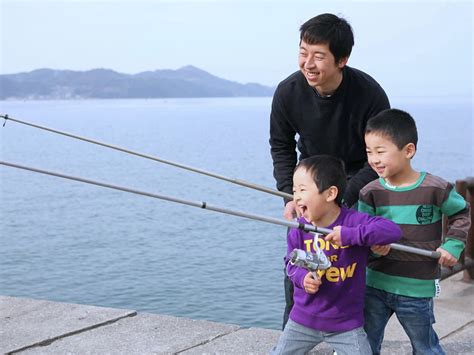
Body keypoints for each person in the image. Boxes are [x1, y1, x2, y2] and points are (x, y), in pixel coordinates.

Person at [269, 13, 390, 328]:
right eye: (303, 52)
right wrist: (289, 194)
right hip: (311, 182)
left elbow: (379, 157)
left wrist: (344, 200)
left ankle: (350, 339)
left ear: (342, 60)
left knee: (353, 269)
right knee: (300, 263)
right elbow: (281, 146)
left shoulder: (369, 94)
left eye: (318, 56)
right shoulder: (288, 92)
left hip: (358, 184)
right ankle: (292, 338)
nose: (308, 63)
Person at [359, 108, 471, 354]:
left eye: (380, 151)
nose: (373, 159)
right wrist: (373, 248)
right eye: (369, 152)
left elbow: (461, 213)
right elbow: (363, 231)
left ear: (408, 150)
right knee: (364, 345)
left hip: (416, 288)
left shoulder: (436, 188)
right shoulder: (370, 192)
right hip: (375, 284)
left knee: (425, 346)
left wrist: (453, 246)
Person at [271, 155, 402, 355]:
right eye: (295, 190)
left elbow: (392, 230)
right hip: (302, 320)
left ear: (330, 193)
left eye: (302, 190)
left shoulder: (352, 222)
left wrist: (351, 235)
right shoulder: (298, 228)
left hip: (346, 324)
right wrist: (302, 278)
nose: (296, 196)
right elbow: (290, 263)